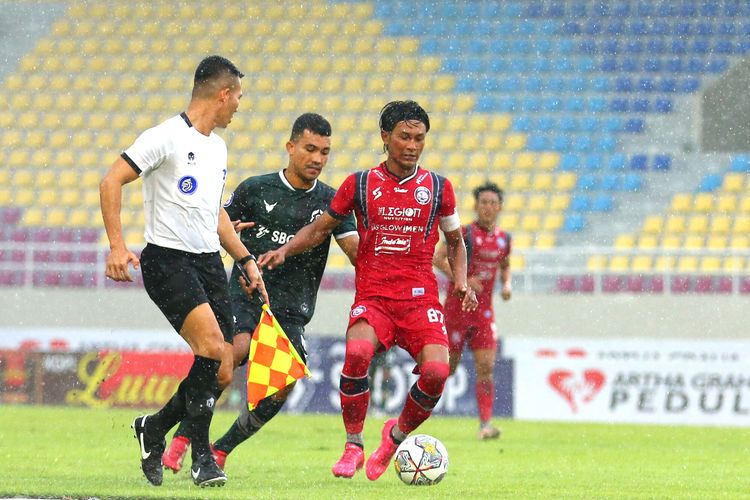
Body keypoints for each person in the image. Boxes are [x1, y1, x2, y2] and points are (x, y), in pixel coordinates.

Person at [258, 100, 478, 481]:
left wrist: (460, 280)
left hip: (419, 300)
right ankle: (353, 445)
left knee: (438, 372)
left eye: (419, 139)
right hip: (374, 297)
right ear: (385, 137)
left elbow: (456, 242)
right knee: (358, 353)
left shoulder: (439, 187)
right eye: (404, 137)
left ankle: (394, 438)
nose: (412, 145)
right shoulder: (359, 184)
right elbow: (320, 229)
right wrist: (284, 250)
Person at [99, 55, 268, 488]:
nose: (239, 106)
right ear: (223, 94)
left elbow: (215, 216)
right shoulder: (166, 137)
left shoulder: (218, 147)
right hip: (168, 260)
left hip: (209, 260)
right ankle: (202, 460)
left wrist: (245, 260)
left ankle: (154, 428)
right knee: (213, 348)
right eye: (239, 97)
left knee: (225, 367)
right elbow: (111, 180)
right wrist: (118, 246)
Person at [160, 113, 359, 473]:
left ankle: (221, 449)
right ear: (291, 147)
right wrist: (227, 230)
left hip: (292, 307)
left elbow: (354, 249)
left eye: (325, 152)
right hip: (244, 292)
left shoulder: (333, 202)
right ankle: (182, 439)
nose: (317, 158)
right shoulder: (256, 189)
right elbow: (214, 224)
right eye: (310, 149)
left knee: (282, 385)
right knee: (229, 356)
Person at [433, 182, 511, 440]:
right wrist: (462, 278)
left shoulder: (503, 239)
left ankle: (485, 425)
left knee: (486, 367)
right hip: (457, 310)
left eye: (492, 203)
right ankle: (419, 412)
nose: (488, 207)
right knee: (447, 369)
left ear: (499, 207)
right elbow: (438, 258)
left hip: (484, 313)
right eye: (483, 202)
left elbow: (506, 263)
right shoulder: (464, 234)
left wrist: (507, 284)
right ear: (476, 205)